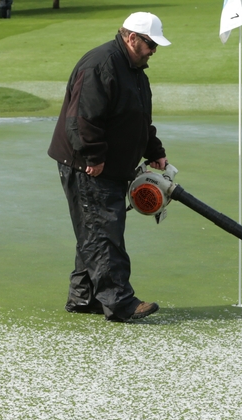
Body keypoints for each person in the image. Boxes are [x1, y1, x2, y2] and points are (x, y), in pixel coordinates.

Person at [47, 12, 171, 322]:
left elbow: (137, 120)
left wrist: (154, 150)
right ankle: (120, 302)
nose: (154, 50)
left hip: (108, 166)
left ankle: (83, 295)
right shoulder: (100, 65)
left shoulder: (135, 72)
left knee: (95, 228)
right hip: (88, 166)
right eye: (151, 43)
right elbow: (83, 120)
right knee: (104, 230)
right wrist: (94, 157)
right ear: (132, 38)